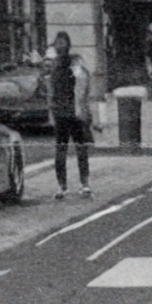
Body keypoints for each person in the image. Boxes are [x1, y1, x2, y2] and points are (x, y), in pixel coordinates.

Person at [47, 31, 93, 200]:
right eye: (58, 42)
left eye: (63, 42)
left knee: (80, 149)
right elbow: (51, 91)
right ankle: (62, 185)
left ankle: (84, 183)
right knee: (61, 151)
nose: (60, 45)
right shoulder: (53, 65)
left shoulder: (74, 61)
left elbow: (82, 84)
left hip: (75, 112)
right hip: (60, 112)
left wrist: (83, 108)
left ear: (68, 44)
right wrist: (51, 112)